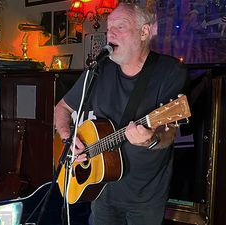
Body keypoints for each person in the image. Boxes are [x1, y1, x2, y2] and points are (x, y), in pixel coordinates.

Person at [54, 3, 188, 225]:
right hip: (101, 189)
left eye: (120, 26)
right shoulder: (99, 69)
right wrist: (67, 139)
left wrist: (151, 140)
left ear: (144, 32)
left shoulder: (169, 71)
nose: (110, 33)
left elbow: (169, 131)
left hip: (145, 197)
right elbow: (62, 108)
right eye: (109, 28)